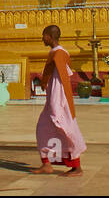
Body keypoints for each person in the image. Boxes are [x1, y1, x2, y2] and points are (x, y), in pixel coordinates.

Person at [31, 25, 86, 177]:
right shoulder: (56, 52)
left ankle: (77, 167)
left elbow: (63, 79)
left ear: (50, 36)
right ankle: (46, 164)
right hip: (52, 98)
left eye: (44, 35)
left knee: (65, 129)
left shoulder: (59, 53)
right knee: (43, 129)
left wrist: (57, 104)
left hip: (58, 99)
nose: (42, 38)